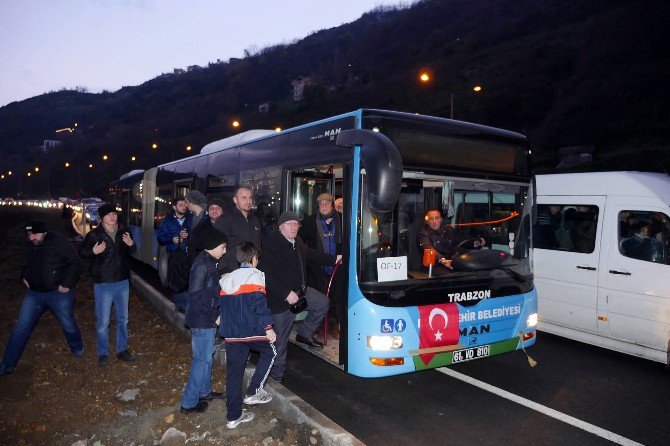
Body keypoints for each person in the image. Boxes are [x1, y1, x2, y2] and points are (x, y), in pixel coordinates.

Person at [258, 211, 340, 384]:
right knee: (279, 342)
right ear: (281, 227)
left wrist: (334, 259)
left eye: (296, 224)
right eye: (290, 224)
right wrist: (286, 293)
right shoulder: (272, 245)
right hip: (280, 301)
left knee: (322, 302)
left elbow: (312, 254)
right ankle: (275, 376)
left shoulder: (297, 242)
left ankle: (304, 334)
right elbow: (265, 276)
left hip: (301, 292)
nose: (294, 227)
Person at [0, 220, 84, 376]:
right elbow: (29, 263)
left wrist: (67, 283)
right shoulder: (33, 244)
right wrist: (24, 275)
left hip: (58, 294)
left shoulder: (59, 242)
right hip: (35, 295)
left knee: (68, 324)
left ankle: (77, 347)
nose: (32, 238)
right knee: (21, 327)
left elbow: (75, 263)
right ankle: (7, 364)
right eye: (29, 235)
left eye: (34, 234)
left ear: (43, 232)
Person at [218, 241, 277, 429]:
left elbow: (224, 304)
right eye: (257, 258)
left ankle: (233, 418)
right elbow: (259, 304)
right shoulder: (255, 275)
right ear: (253, 259)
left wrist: (219, 318)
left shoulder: (227, 279)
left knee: (234, 375)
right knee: (271, 352)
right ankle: (254, 392)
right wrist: (268, 327)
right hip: (251, 330)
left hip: (231, 334)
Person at [79, 203, 137, 367]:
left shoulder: (124, 233)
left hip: (123, 282)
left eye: (114, 214)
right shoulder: (95, 235)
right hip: (104, 283)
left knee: (123, 319)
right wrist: (93, 252)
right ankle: (103, 353)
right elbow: (82, 252)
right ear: (102, 217)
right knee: (103, 321)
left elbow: (132, 252)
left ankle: (122, 350)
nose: (113, 217)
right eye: (109, 214)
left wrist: (131, 244)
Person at [180, 225, 228, 414]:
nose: (225, 251)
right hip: (202, 320)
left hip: (204, 319)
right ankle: (189, 402)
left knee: (207, 358)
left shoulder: (207, 262)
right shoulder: (202, 265)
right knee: (201, 359)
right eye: (223, 247)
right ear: (212, 245)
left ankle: (204, 391)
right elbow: (196, 296)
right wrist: (214, 316)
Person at [299, 193, 343, 337]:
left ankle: (332, 327)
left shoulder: (341, 220)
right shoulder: (310, 221)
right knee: (319, 300)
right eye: (321, 204)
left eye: (326, 203)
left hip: (337, 267)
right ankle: (317, 328)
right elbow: (300, 243)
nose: (323, 206)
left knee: (336, 298)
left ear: (332, 205)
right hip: (316, 268)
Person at [157, 197, 193, 312]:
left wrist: (188, 237)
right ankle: (181, 306)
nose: (184, 207)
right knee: (176, 280)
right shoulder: (167, 220)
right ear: (174, 207)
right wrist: (172, 239)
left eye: (185, 205)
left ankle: (184, 306)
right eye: (181, 205)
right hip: (173, 255)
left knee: (187, 279)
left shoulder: (190, 219)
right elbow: (160, 238)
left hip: (187, 255)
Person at [215, 186, 262, 273]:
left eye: (250, 198)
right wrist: (223, 271)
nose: (248, 201)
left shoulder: (255, 220)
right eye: (244, 198)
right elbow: (217, 246)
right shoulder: (225, 219)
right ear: (235, 200)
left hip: (252, 271)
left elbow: (258, 245)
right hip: (231, 272)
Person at [417, 209, 485, 269]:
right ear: (427, 221)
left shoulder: (448, 229)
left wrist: (475, 243)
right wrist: (442, 260)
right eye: (431, 219)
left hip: (452, 260)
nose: (434, 221)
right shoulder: (423, 233)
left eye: (437, 218)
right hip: (435, 265)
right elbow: (429, 249)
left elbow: (460, 240)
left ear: (441, 220)